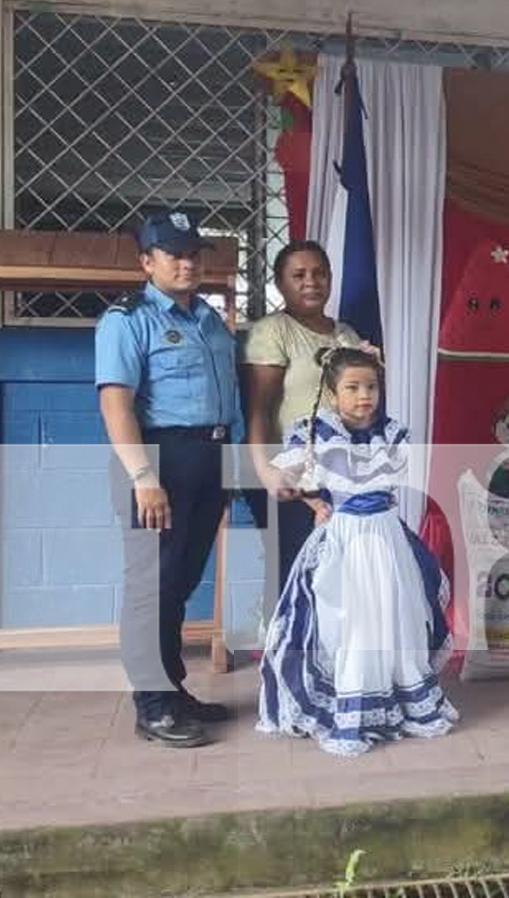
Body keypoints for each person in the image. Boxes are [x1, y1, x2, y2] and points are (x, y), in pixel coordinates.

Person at [256, 346, 457, 756]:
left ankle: (399, 698)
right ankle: (356, 705)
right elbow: (287, 476)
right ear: (332, 393)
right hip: (347, 538)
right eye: (352, 387)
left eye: (371, 386)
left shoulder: (391, 434)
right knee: (351, 620)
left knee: (394, 616)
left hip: (386, 538)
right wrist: (310, 499)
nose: (363, 395)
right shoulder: (318, 433)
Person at [96, 211, 239, 748]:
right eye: (174, 254)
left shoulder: (208, 319)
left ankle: (172, 691)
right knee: (150, 590)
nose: (187, 263)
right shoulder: (126, 320)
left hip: (209, 459)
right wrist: (143, 476)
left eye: (194, 254)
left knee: (177, 587)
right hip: (158, 462)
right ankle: (152, 706)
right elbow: (117, 406)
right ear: (146, 262)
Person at [241, 241, 366, 596]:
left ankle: (327, 650)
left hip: (336, 474)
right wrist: (268, 472)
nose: (311, 282)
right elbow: (259, 409)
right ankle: (286, 648)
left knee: (338, 571)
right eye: (298, 275)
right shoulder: (273, 331)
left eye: (319, 273)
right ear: (280, 284)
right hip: (286, 470)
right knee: (295, 569)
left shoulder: (347, 336)